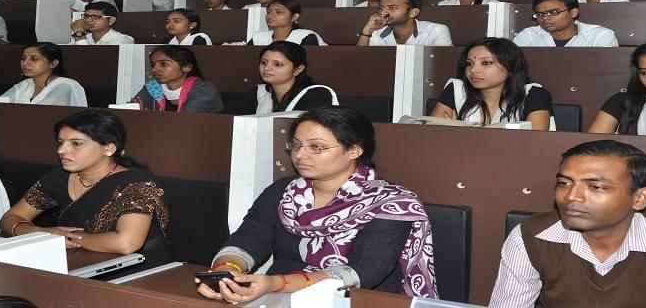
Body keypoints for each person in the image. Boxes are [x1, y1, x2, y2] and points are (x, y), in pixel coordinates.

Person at [198, 106, 437, 302]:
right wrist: (228, 271)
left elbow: (364, 271)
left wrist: (276, 283)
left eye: (316, 147)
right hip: (278, 298)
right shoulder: (284, 191)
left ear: (354, 150)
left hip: (356, 299)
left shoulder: (391, 203)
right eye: (296, 145)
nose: (300, 155)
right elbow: (248, 240)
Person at [489, 140, 646, 307]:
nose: (571, 196)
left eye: (596, 187)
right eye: (564, 183)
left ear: (640, 198)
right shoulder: (531, 236)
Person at [0, 111, 172, 272]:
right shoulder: (60, 177)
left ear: (109, 148)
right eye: (61, 142)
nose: (61, 150)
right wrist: (39, 233)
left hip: (139, 271)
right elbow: (10, 218)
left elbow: (126, 243)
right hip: (79, 265)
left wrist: (65, 238)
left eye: (76, 143)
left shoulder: (138, 182)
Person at [430, 38, 554, 129]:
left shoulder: (534, 94)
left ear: (510, 66)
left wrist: (460, 132)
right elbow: (432, 135)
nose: (473, 70)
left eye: (486, 63)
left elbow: (534, 142)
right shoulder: (457, 90)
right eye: (469, 64)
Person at [245, 41, 339, 113]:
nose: (267, 68)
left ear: (298, 69)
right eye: (263, 63)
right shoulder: (259, 93)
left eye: (278, 64)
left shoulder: (317, 94)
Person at [133, 46, 223, 113]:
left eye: (163, 64)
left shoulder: (205, 90)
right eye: (153, 65)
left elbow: (184, 121)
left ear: (186, 67)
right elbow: (132, 112)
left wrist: (148, 117)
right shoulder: (151, 87)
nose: (154, 69)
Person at [514, 0, 618, 47]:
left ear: (573, 12)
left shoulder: (600, 35)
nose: (545, 18)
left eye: (553, 12)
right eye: (540, 14)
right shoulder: (529, 35)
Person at [357, 0, 452, 46]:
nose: (383, 12)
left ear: (413, 12)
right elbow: (360, 61)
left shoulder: (436, 30)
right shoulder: (376, 33)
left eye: (392, 8)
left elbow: (443, 62)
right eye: (381, 8)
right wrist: (367, 31)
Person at [2, 43, 88, 106]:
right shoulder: (24, 85)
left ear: (53, 63)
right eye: (23, 58)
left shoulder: (67, 86)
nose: (25, 63)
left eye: (34, 59)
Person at [248, 0, 327, 46]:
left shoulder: (305, 36)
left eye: (278, 12)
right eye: (268, 12)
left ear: (294, 17)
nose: (270, 15)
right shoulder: (259, 37)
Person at [69, 2, 133, 45]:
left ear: (111, 20)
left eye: (95, 17)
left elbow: (92, 59)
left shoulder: (123, 40)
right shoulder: (82, 36)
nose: (88, 20)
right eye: (86, 16)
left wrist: (79, 34)